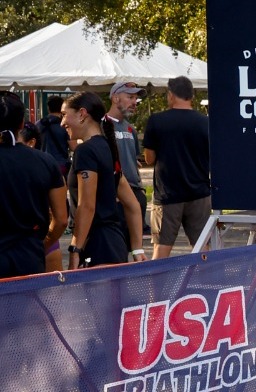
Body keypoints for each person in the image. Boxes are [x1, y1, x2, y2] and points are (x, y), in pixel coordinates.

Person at [61, 92, 143, 268]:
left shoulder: (86, 151)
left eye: (64, 115)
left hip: (98, 245)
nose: (62, 122)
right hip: (114, 244)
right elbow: (132, 204)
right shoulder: (107, 147)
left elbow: (87, 205)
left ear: (82, 114)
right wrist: (137, 249)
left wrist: (75, 249)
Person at [142, 75, 213, 258]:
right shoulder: (206, 123)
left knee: (161, 249)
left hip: (168, 195)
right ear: (192, 96)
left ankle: (157, 279)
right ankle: (207, 276)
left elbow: (149, 159)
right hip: (200, 193)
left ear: (171, 95)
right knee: (202, 248)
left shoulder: (157, 121)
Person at [0, 93, 67, 279]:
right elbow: (61, 219)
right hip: (29, 257)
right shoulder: (45, 161)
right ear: (22, 123)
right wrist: (43, 244)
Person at [106, 81, 150, 252]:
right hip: (115, 196)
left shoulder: (130, 129)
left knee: (137, 251)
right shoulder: (102, 125)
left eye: (135, 98)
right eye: (130, 97)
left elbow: (134, 160)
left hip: (135, 194)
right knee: (117, 252)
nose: (134, 102)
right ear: (115, 98)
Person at [36, 97, 70, 175]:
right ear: (61, 108)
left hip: (42, 164)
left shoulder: (39, 124)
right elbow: (73, 146)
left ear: (48, 108)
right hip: (60, 165)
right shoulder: (64, 126)